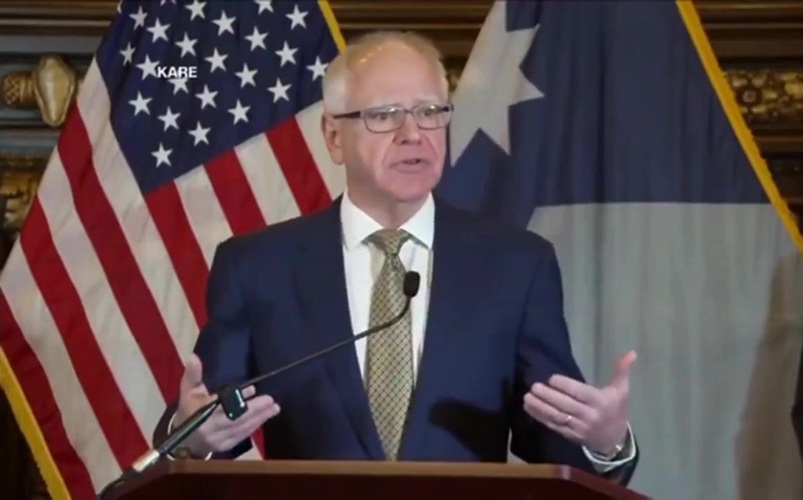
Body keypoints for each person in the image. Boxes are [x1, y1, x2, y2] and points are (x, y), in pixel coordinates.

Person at [154, 30, 639, 484]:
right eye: (385, 115)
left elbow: (554, 435)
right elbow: (208, 420)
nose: (413, 133)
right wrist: (192, 437)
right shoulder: (258, 268)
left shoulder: (517, 265)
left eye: (430, 111)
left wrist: (605, 442)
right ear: (333, 136)